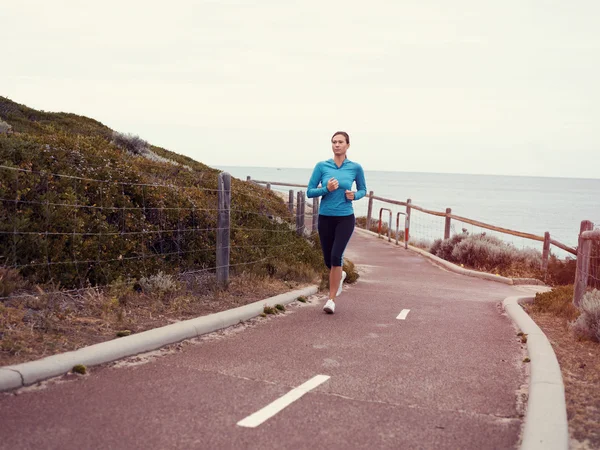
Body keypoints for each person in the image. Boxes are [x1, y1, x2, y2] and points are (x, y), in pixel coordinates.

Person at [307, 131, 367, 314]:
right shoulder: (322, 166)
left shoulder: (355, 168)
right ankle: (339, 274)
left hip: (345, 217)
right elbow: (309, 191)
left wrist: (355, 195)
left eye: (340, 142)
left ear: (348, 145)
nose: (337, 145)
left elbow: (363, 189)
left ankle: (331, 300)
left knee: (336, 256)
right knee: (328, 260)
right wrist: (326, 189)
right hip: (325, 217)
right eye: (334, 142)